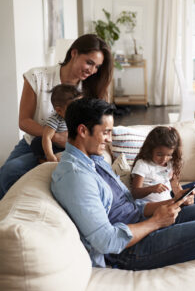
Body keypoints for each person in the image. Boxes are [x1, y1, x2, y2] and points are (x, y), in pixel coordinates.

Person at [50, 98, 195, 291]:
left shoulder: (94, 160)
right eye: (105, 132)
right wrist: (156, 222)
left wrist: (165, 205)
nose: (109, 139)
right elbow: (106, 241)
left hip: (142, 222)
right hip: (128, 249)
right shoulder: (75, 177)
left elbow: (129, 204)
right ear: (83, 131)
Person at [0, 34, 113, 199]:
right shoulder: (37, 77)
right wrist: (54, 137)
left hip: (73, 146)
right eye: (89, 62)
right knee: (6, 173)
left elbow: (100, 126)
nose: (92, 70)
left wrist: (67, 141)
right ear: (74, 53)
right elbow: (24, 121)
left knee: (12, 171)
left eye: (97, 66)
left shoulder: (92, 88)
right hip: (35, 141)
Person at [131, 126, 195, 204]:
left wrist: (183, 198)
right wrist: (152, 189)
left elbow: (176, 188)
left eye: (169, 155)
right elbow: (135, 193)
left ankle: (190, 210)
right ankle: (192, 212)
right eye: (159, 154)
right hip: (155, 207)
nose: (164, 159)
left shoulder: (170, 163)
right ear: (150, 149)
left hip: (170, 202)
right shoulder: (143, 164)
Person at [30, 84, 82, 163]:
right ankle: (43, 160)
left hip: (69, 146)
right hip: (55, 147)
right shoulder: (55, 120)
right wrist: (49, 155)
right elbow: (47, 137)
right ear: (59, 110)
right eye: (73, 109)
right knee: (37, 141)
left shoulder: (78, 118)